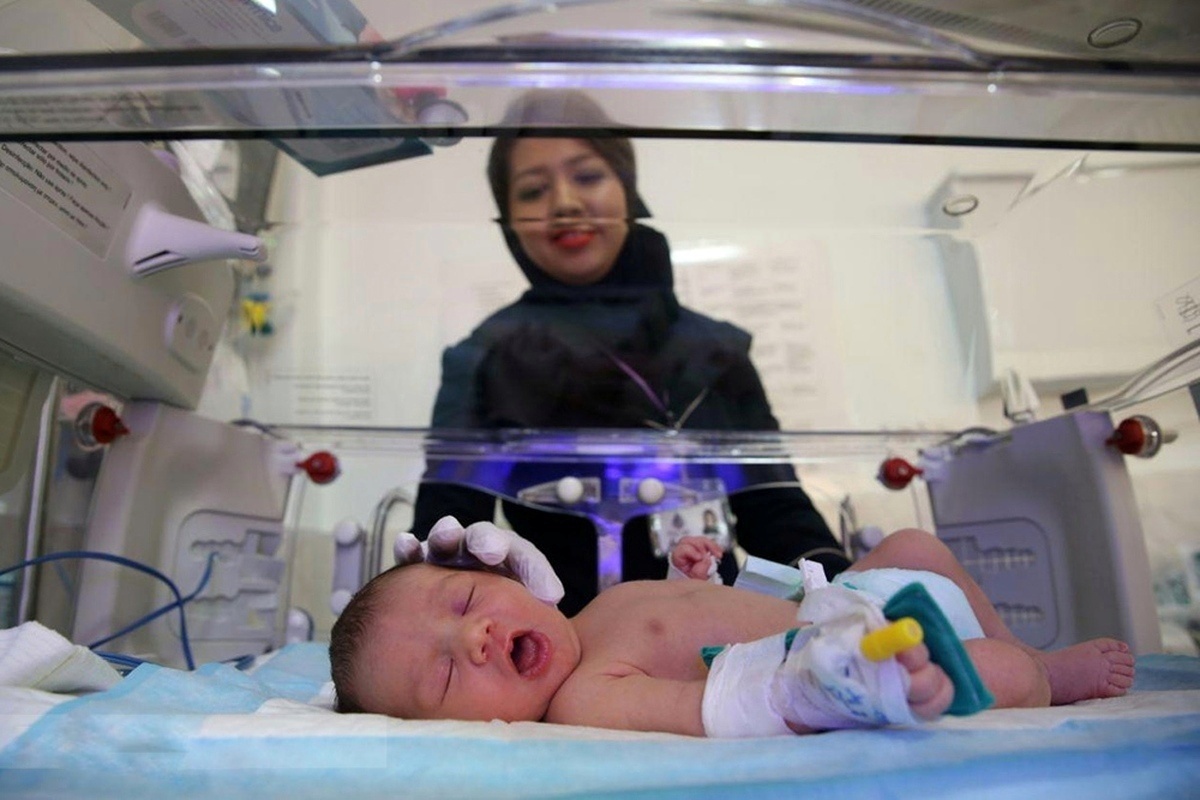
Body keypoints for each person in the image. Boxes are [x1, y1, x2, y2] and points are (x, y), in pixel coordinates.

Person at [411, 89, 848, 615]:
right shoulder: (483, 360)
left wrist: (846, 597)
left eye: (587, 176)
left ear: (627, 188)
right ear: (510, 220)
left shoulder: (717, 352)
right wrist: (432, 587)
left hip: (714, 632)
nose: (564, 203)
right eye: (532, 190)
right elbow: (447, 526)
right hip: (559, 641)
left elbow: (777, 514)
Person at [330, 522, 1135, 737]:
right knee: (996, 674)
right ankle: (1047, 676)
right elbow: (714, 702)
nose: (473, 638)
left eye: (466, 602)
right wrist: (814, 687)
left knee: (917, 546)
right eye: (445, 676)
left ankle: (1025, 648)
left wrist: (695, 581)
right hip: (859, 650)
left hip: (844, 596)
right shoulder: (584, 702)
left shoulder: (591, 613)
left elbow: (692, 630)